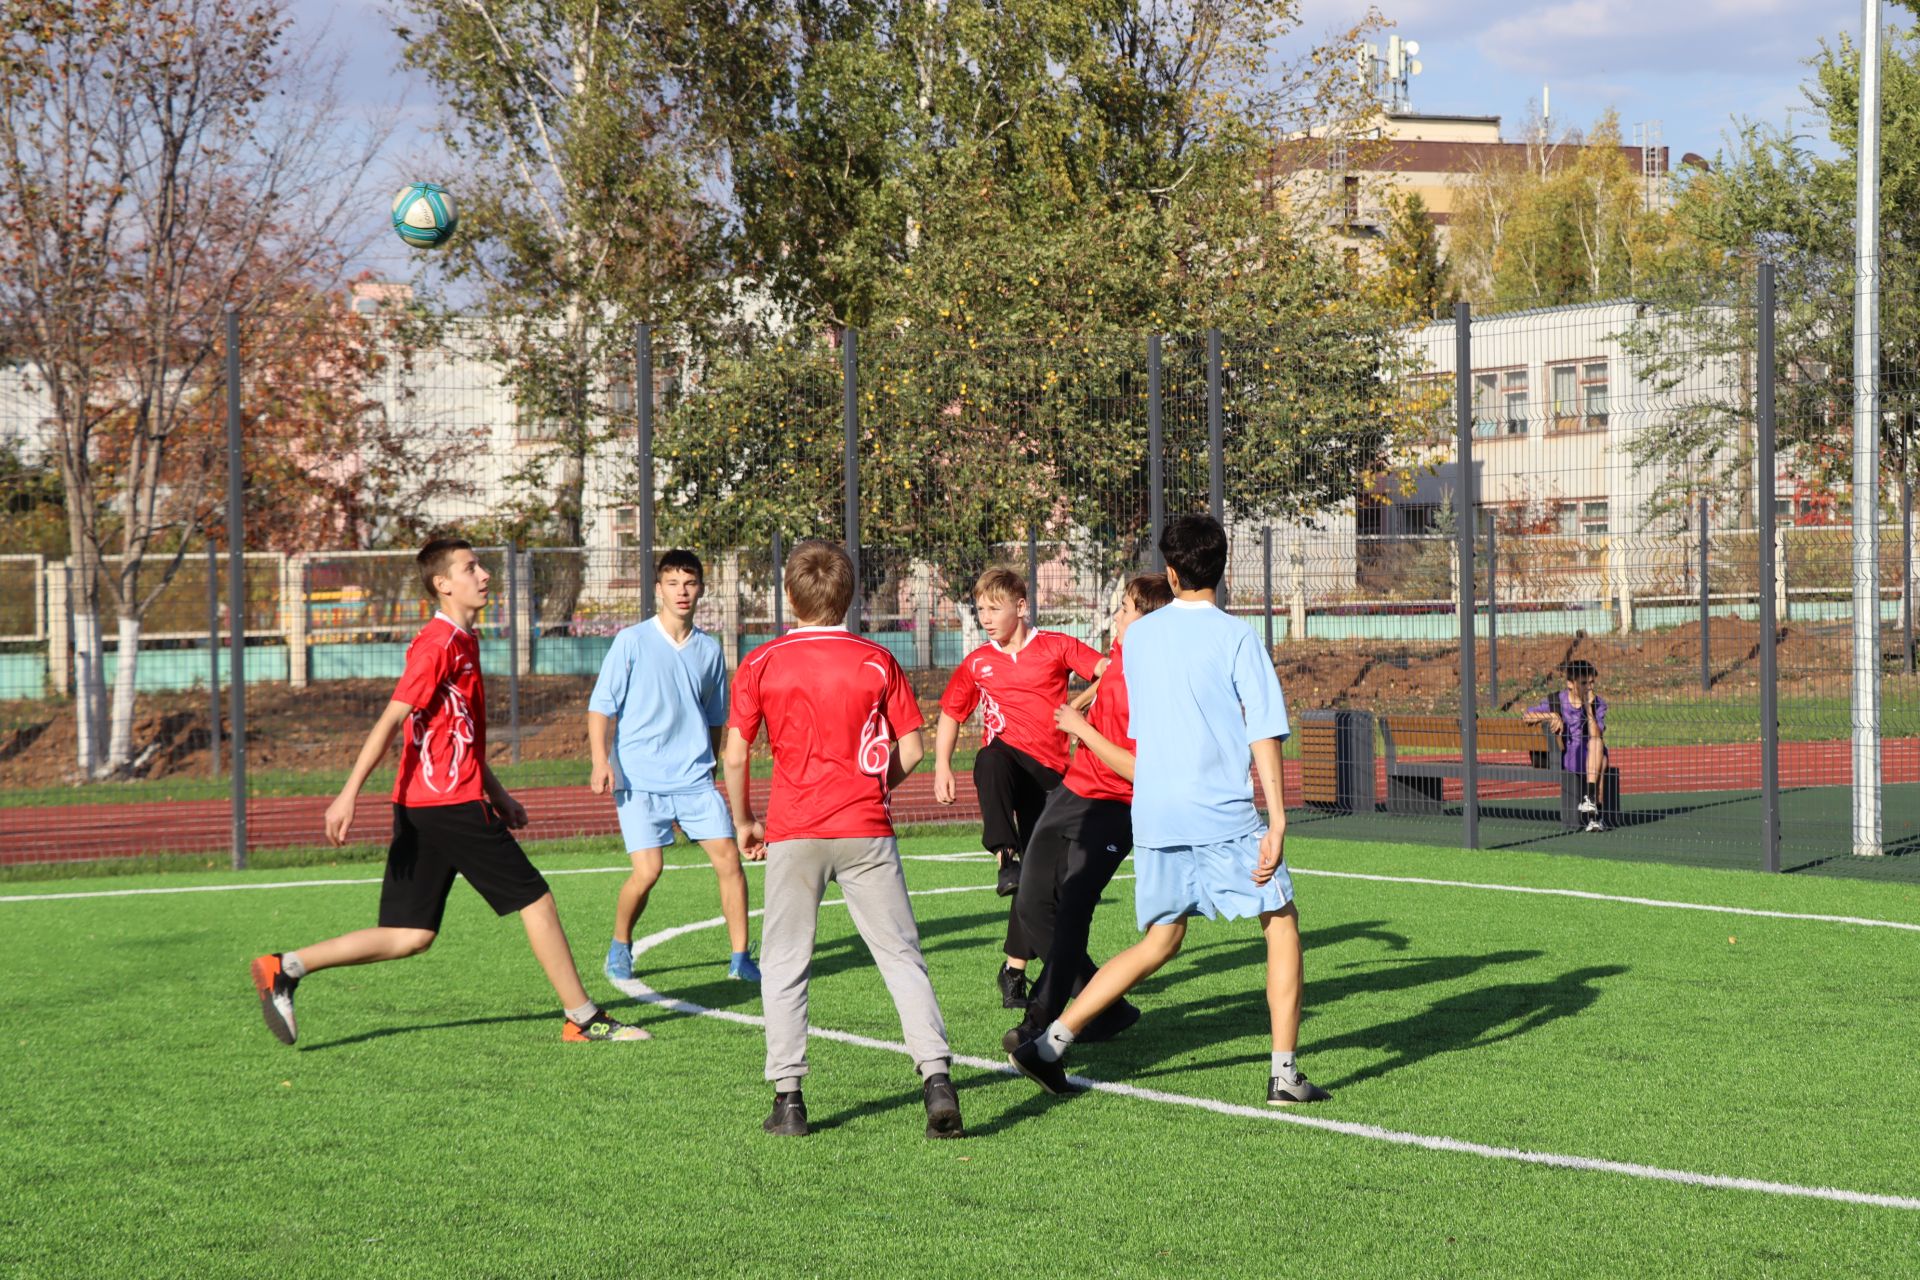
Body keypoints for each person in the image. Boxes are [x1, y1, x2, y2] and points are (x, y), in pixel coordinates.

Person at [250, 537, 648, 1046]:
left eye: (480, 566)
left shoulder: (464, 641)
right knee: (537, 900)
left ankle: (285, 967)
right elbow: (392, 720)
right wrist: (347, 793)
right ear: (443, 584)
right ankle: (583, 1018)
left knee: (411, 934)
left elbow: (456, 736)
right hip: (448, 804)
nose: (483, 575)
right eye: (470, 567)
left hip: (427, 804)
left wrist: (497, 792)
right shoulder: (439, 645)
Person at [1008, 514, 1332, 1107]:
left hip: (1153, 812)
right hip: (1218, 812)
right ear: (1223, 568)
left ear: (1172, 571)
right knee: (1281, 923)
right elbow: (1264, 731)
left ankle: (1051, 1042)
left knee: (1162, 940)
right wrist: (1278, 819)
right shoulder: (1236, 637)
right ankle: (1284, 1075)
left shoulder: (1141, 637)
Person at [723, 539, 964, 1140]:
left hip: (795, 827)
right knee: (900, 955)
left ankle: (789, 1099)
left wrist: (745, 819)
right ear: (850, 595)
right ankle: (936, 1079)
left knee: (785, 962)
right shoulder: (877, 659)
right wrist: (878, 789)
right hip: (866, 827)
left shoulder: (761, 662)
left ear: (789, 595)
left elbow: (734, 753)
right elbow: (909, 747)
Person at [1002, 572, 1173, 1056]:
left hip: (1112, 808)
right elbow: (1106, 684)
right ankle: (1106, 1006)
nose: (1116, 615)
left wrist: (1082, 727)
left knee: (1073, 909)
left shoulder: (1152, 680)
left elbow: (1143, 771)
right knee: (1033, 903)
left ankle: (1041, 1021)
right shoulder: (1122, 656)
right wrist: (1080, 703)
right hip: (1072, 792)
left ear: (1148, 623)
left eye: (1125, 609)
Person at [932, 567, 1107, 1010]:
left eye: (995, 608)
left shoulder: (1055, 646)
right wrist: (941, 766)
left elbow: (1110, 672)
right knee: (990, 757)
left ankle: (1013, 970)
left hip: (1055, 779)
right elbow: (952, 713)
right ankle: (1002, 854)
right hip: (1009, 766)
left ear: (1022, 607)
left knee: (1038, 884)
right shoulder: (978, 662)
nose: (986, 618)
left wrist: (1079, 704)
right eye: (980, 611)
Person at [589, 549, 759, 984]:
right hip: (639, 779)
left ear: (701, 588)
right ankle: (620, 944)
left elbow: (717, 718)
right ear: (658, 589)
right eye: (672, 583)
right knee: (648, 872)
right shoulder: (631, 641)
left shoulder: (709, 649)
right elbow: (601, 707)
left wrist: (712, 769)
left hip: (694, 781)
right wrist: (598, 760)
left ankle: (741, 959)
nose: (682, 592)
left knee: (728, 861)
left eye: (690, 583)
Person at [1524, 658, 1610, 833]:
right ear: (1570, 684)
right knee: (1602, 759)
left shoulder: (1598, 704)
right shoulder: (1556, 700)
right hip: (1570, 753)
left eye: (1592, 683)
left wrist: (1588, 708)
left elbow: (1595, 733)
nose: (1590, 688)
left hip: (1592, 750)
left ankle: (1590, 801)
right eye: (1584, 683)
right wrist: (1551, 716)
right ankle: (1595, 815)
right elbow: (1527, 715)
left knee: (1597, 745)